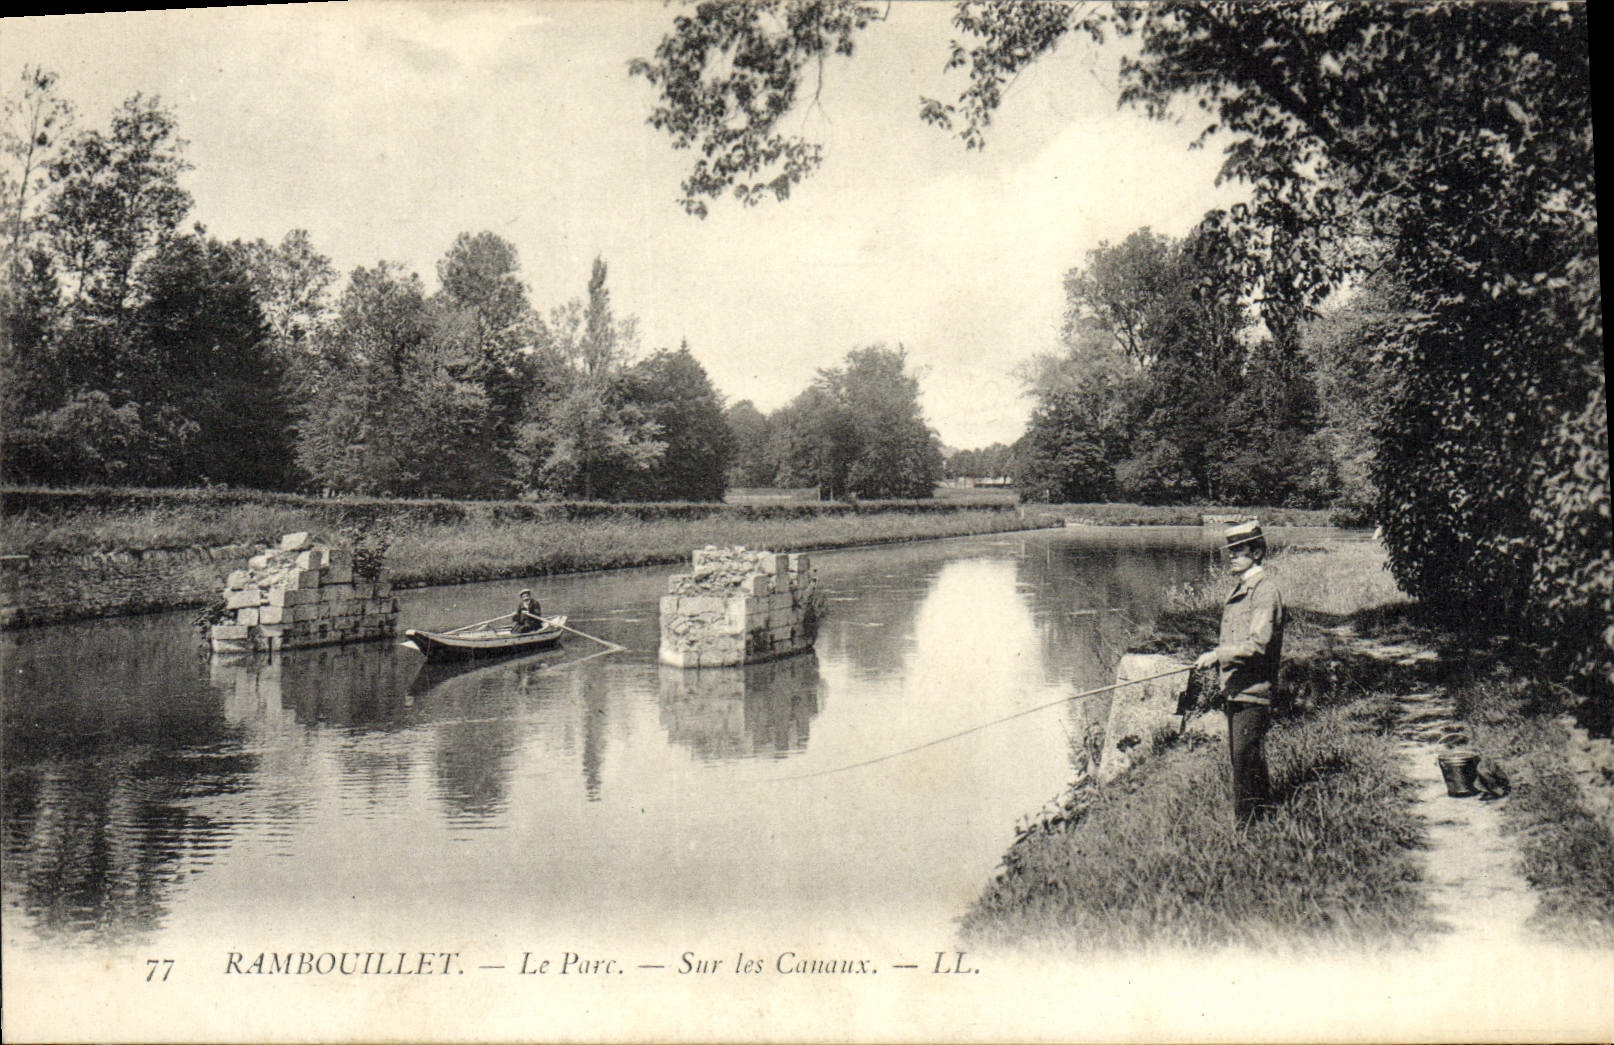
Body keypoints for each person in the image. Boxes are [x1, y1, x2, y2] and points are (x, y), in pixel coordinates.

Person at [1195, 520, 1285, 825]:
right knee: (1246, 762)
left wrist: (1217, 655)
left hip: (1253, 691)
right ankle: (1263, 823)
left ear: (1256, 552)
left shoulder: (1264, 591)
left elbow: (1258, 645)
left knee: (1246, 762)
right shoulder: (1242, 589)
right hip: (1237, 689)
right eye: (1230, 550)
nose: (1231, 556)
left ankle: (1247, 830)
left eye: (1239, 550)